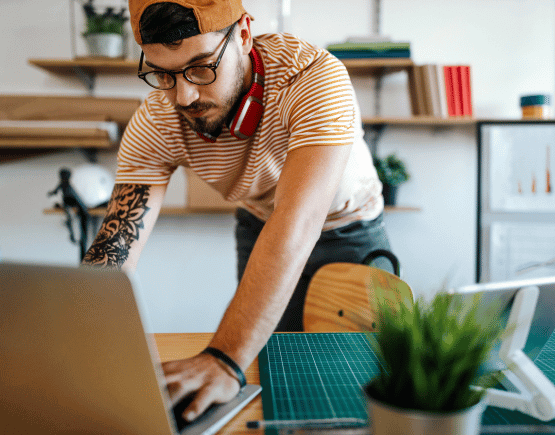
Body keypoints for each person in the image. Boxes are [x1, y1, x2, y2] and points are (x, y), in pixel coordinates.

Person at [82, 0, 393, 423]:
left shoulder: (314, 79)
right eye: (163, 74)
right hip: (260, 225)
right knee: (271, 371)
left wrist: (224, 358)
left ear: (244, 34)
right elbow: (116, 245)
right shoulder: (157, 119)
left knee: (357, 387)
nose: (184, 95)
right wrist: (76, 347)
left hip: (350, 230)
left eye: (201, 67)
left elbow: (297, 224)